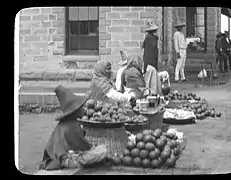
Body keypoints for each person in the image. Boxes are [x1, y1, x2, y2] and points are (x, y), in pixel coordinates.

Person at [39, 85, 108, 171]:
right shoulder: (71, 125)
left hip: (72, 154)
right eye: (81, 108)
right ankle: (80, 162)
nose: (84, 109)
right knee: (103, 150)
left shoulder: (71, 123)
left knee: (100, 150)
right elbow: (81, 145)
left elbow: (79, 143)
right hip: (66, 159)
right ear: (75, 111)